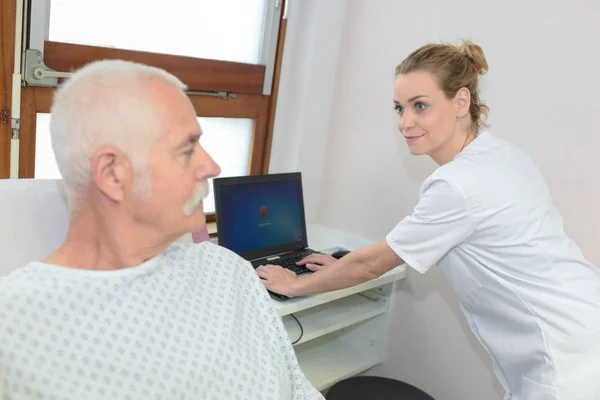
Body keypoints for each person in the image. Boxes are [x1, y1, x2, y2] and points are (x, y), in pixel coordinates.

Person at [257, 40, 600, 400]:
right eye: (399, 108)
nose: (405, 122)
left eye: (420, 106)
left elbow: (371, 265)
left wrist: (295, 285)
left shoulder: (458, 185)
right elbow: (400, 250)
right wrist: (336, 267)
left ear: (461, 102)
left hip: (566, 359)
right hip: (583, 317)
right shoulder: (501, 154)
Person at [0, 60, 323, 400]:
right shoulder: (15, 325)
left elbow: (296, 389)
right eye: (186, 150)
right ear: (112, 174)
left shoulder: (228, 272)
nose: (212, 167)